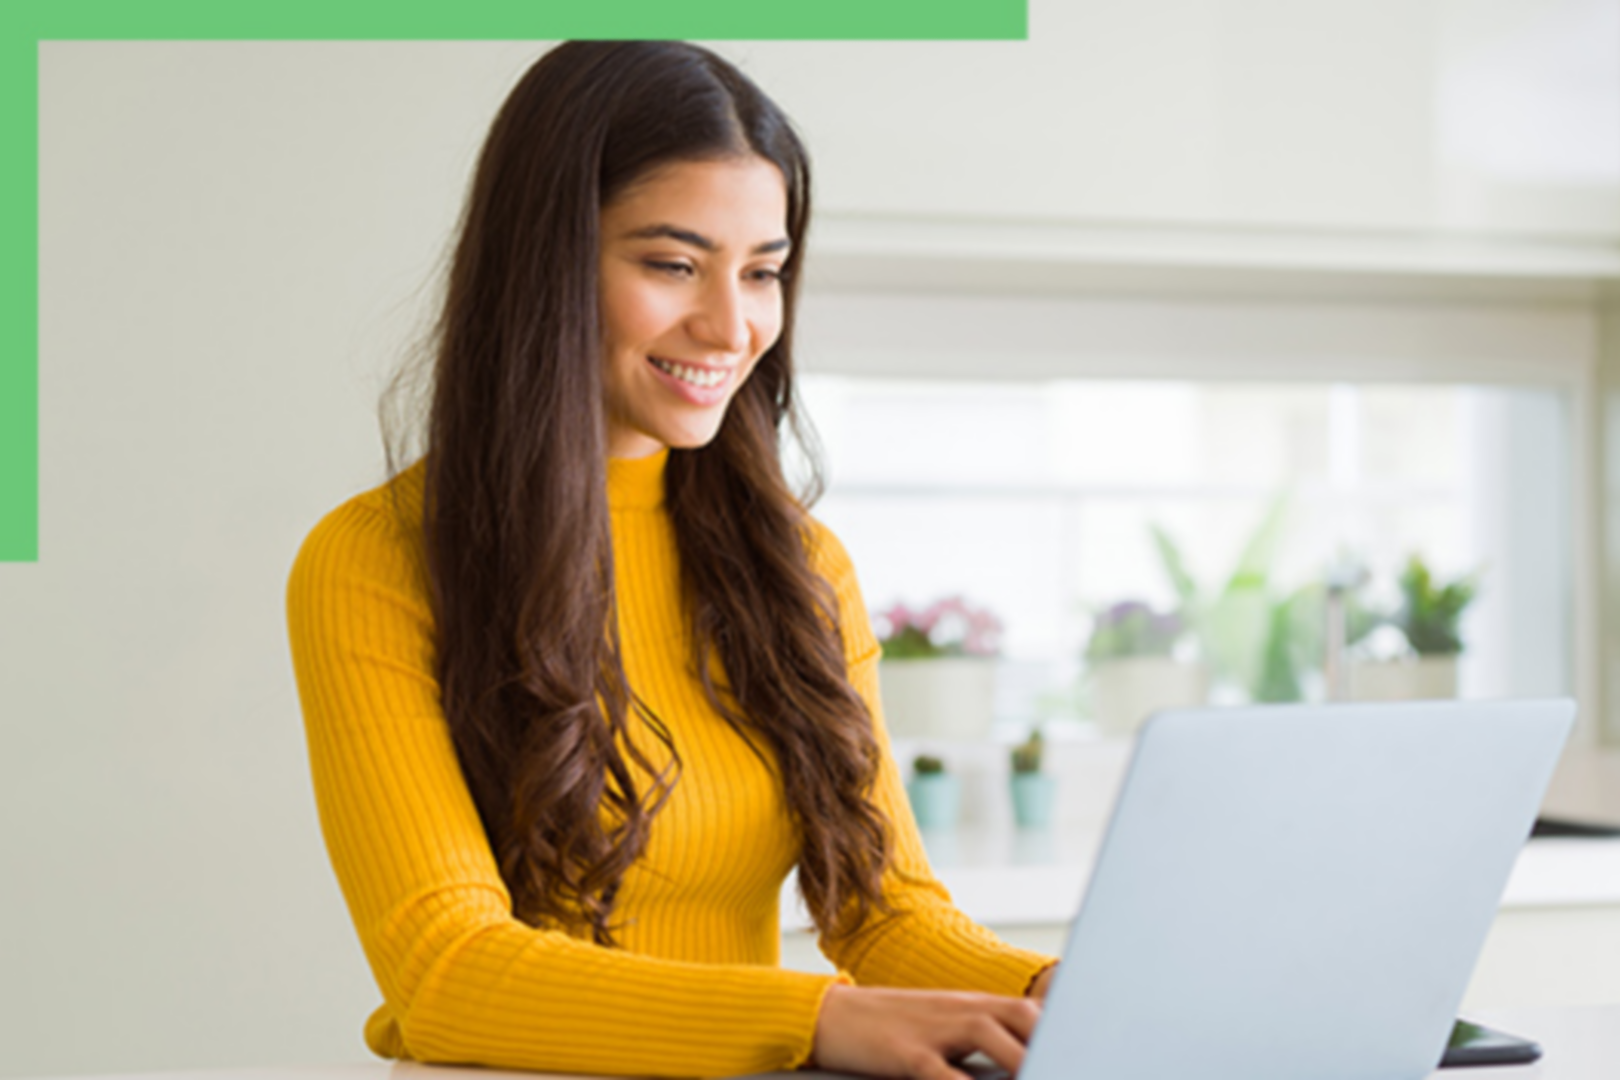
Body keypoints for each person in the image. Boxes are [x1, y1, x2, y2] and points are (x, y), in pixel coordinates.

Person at [286, 40, 1056, 1080]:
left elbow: (886, 912)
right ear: (546, 263)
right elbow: (447, 970)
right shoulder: (376, 560)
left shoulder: (799, 565)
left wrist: (1050, 991)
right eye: (672, 264)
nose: (731, 327)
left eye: (764, 273)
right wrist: (819, 1020)